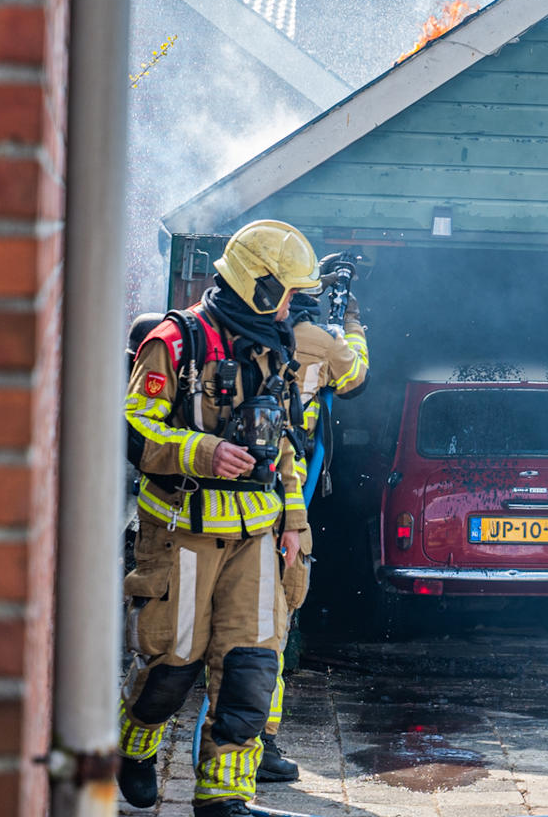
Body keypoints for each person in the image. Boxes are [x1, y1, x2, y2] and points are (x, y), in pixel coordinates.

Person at [116, 221, 319, 816]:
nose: (290, 304)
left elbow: (286, 447)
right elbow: (135, 428)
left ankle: (224, 797)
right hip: (182, 530)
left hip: (256, 533)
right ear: (255, 285)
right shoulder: (175, 341)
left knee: (251, 670)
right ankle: (134, 748)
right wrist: (202, 452)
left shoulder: (274, 350)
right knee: (171, 668)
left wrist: (294, 524)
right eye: (284, 291)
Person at [256, 253, 370, 784]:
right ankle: (260, 740)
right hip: (286, 485)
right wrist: (351, 324)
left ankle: (249, 738)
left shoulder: (249, 337)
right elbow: (357, 377)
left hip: (264, 484)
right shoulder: (319, 342)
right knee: (274, 619)